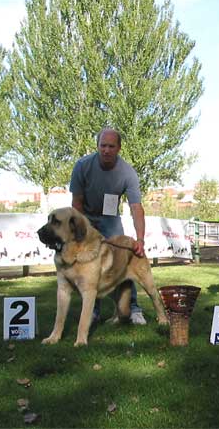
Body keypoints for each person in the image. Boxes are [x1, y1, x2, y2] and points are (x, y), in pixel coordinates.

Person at [70, 128, 147, 325]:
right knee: (89, 266)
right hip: (86, 218)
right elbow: (76, 202)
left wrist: (139, 240)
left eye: (111, 146)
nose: (106, 150)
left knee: (124, 262)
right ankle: (93, 312)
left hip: (110, 218)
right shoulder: (82, 166)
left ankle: (134, 309)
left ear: (119, 148)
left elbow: (136, 207)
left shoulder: (128, 173)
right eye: (102, 145)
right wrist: (80, 232)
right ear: (97, 146)